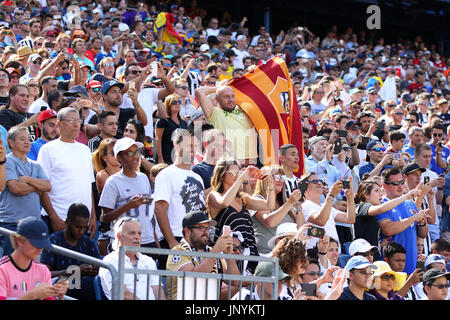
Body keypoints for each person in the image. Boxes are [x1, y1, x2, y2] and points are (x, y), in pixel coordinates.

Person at [207, 159, 276, 274]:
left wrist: (270, 184)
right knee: (233, 287)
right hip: (228, 255)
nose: (237, 176)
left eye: (238, 172)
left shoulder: (243, 198)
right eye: (233, 173)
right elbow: (224, 203)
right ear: (222, 174)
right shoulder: (214, 195)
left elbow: (269, 204)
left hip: (249, 252)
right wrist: (241, 178)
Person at [37, 107, 96, 236]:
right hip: (59, 218)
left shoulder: (85, 150)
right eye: (71, 120)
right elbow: (42, 187)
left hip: (83, 221)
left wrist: (93, 216)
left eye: (78, 121)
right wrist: (54, 218)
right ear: (59, 124)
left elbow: (88, 185)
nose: (76, 125)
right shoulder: (48, 150)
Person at [153, 129, 206, 269]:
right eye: (189, 146)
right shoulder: (166, 175)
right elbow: (159, 209)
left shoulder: (197, 177)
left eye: (196, 146)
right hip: (176, 239)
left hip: (197, 242)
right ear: (177, 146)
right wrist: (172, 243)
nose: (193, 150)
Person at [166, 210, 241, 300]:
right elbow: (194, 280)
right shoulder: (178, 252)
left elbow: (235, 281)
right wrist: (216, 250)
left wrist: (229, 254)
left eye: (208, 228)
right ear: (187, 231)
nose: (206, 232)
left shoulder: (211, 252)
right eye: (201, 228)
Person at [0, 126, 51, 256]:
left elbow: (47, 186)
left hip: (34, 226)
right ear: (11, 142)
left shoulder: (35, 164)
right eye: (22, 139)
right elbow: (15, 188)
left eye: (29, 139)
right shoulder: (7, 162)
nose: (27, 142)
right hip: (12, 225)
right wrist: (36, 186)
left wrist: (28, 180)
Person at [98, 137, 153, 256]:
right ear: (119, 158)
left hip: (148, 239)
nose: (135, 156)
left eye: (137, 152)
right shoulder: (113, 182)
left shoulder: (143, 178)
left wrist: (155, 239)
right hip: (125, 241)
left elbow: (149, 214)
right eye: (130, 153)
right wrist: (128, 206)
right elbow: (104, 217)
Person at [40, 203, 100, 300]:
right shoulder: (53, 241)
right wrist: (74, 271)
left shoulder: (88, 242)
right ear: (67, 222)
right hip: (60, 286)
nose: (81, 231)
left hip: (85, 286)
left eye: (84, 227)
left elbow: (99, 268)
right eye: (78, 227)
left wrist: (94, 270)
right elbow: (43, 274)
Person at [0, 217, 68, 300]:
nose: (40, 248)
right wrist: (32, 295)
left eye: (42, 244)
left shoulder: (43, 270)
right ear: (19, 241)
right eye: (36, 243)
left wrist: (59, 297)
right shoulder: (2, 270)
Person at [98, 217, 165, 300]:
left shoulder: (148, 261)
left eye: (139, 233)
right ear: (119, 236)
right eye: (132, 233)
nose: (137, 237)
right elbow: (123, 294)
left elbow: (158, 292)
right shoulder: (110, 261)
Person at [377, 168, 429, 275]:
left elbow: (423, 234)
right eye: (395, 183)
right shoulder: (382, 204)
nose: (400, 186)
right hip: (392, 270)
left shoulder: (409, 203)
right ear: (384, 186)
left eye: (401, 182)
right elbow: (388, 229)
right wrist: (413, 218)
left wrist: (422, 223)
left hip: (411, 267)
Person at [195, 84, 258, 166]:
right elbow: (199, 92)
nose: (231, 99)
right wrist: (219, 88)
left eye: (232, 96)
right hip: (229, 166)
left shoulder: (245, 110)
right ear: (217, 100)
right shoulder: (215, 113)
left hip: (251, 165)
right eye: (226, 97)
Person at [251, 165, 304, 255]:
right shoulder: (258, 199)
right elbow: (269, 222)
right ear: (265, 180)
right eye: (275, 177)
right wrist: (289, 203)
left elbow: (300, 229)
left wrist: (298, 206)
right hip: (265, 256)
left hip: (287, 255)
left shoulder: (286, 203)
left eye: (282, 177)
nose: (280, 180)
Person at [354, 177, 418, 248]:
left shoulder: (373, 208)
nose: (381, 194)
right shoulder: (361, 207)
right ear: (366, 194)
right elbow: (381, 209)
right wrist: (406, 197)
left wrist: (379, 244)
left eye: (380, 190)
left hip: (373, 254)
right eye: (376, 191)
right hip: (362, 256)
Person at [300, 172, 356, 250]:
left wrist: (350, 197)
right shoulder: (304, 205)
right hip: (317, 255)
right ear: (305, 186)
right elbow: (321, 221)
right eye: (315, 181)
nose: (319, 183)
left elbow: (350, 219)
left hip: (333, 255)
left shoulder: (325, 206)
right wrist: (331, 195)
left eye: (321, 181)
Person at [155, 94, 188, 164]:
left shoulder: (184, 123)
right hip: (165, 157)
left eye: (179, 102)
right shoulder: (163, 121)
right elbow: (158, 139)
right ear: (168, 104)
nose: (177, 104)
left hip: (179, 158)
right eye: (174, 102)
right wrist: (160, 158)